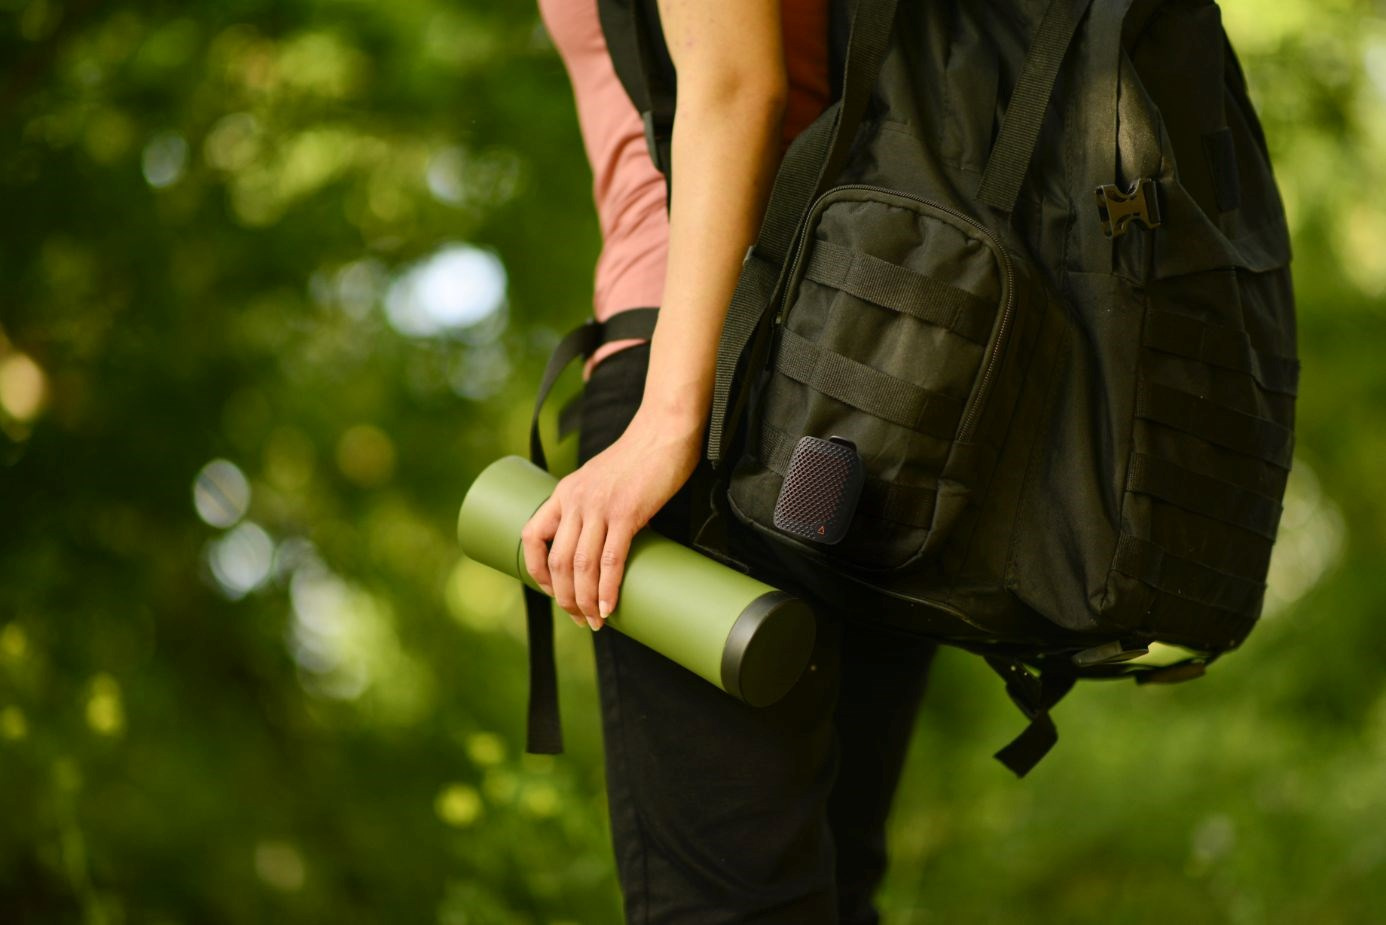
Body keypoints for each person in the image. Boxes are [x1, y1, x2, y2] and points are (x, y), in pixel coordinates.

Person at [525, 1, 938, 920]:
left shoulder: (679, 415)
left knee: (725, 903)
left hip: (711, 392)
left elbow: (736, 85)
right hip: (885, 392)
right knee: (829, 889)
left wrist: (668, 422)